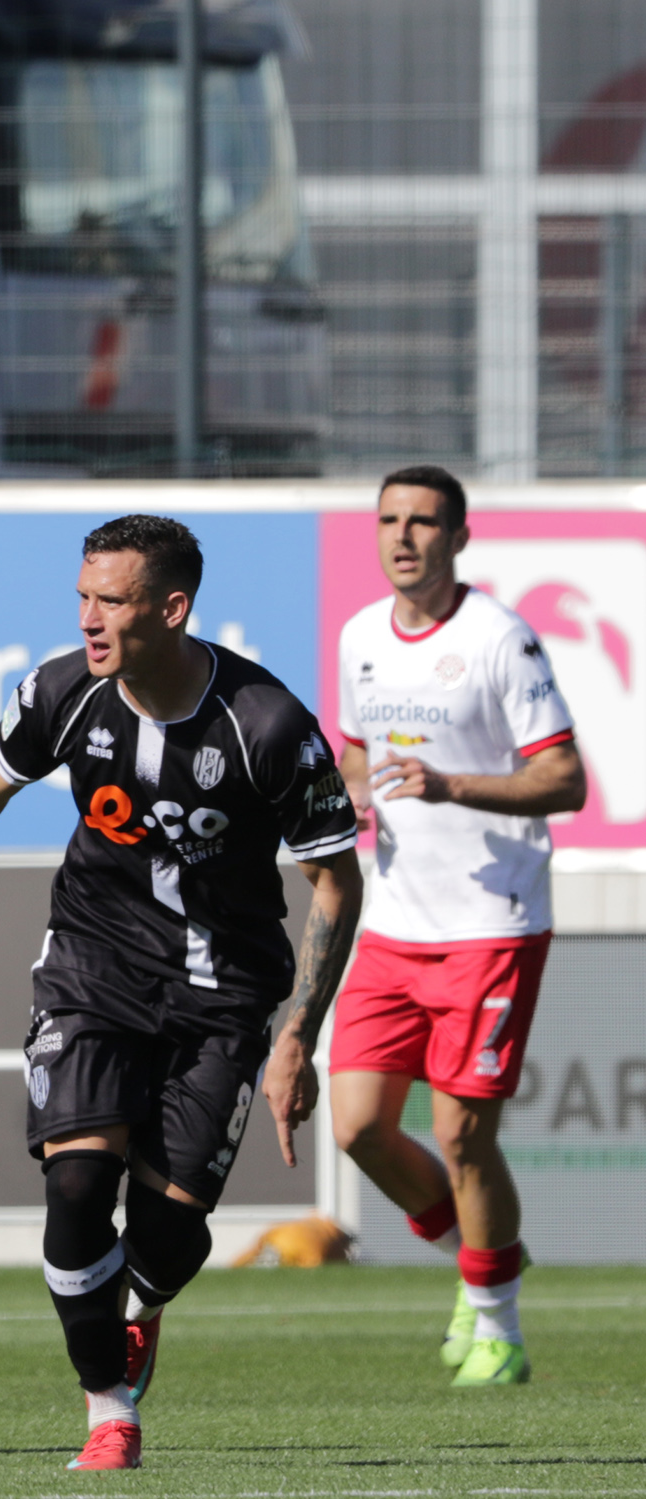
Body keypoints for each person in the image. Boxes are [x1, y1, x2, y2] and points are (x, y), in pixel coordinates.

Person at [0, 515, 361, 1472]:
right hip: (93, 968)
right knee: (78, 1184)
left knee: (166, 1235)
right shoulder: (61, 692)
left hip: (223, 994)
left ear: (172, 608)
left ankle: (145, 1305)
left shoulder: (267, 725)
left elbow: (335, 880)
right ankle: (109, 1411)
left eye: (112, 601)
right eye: (82, 596)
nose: (89, 619)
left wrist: (297, 1034)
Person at [329, 466, 585, 1388]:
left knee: (464, 1134)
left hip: (490, 923)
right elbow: (356, 751)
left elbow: (565, 779)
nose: (404, 536)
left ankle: (499, 1329)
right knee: (357, 1127)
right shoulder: (361, 634)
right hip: (394, 922)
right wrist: (352, 792)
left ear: (459, 537)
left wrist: (451, 785)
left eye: (424, 521)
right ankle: (478, 1263)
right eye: (390, 519)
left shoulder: (498, 638)